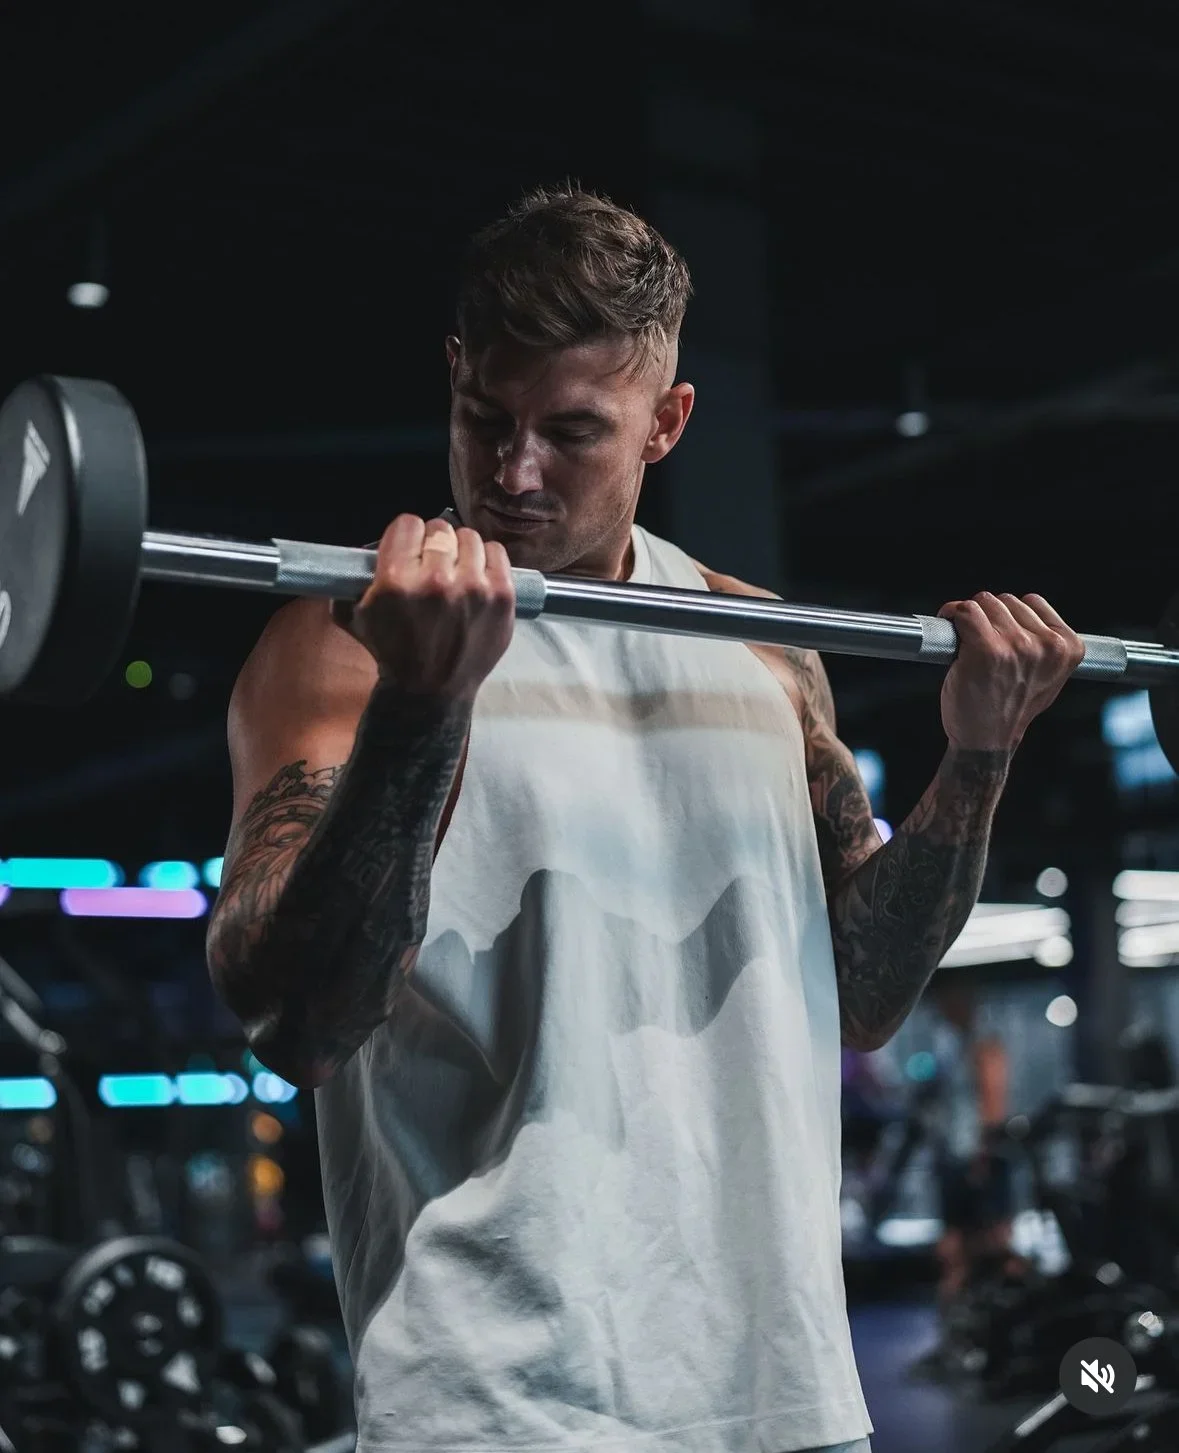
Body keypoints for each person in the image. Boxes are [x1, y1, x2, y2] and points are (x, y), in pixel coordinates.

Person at [205, 182, 1085, 1453]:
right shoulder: (341, 645)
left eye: (572, 431)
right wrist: (422, 704)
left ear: (666, 423)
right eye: (484, 417)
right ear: (453, 374)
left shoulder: (766, 652)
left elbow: (861, 994)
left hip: (782, 1390)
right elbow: (297, 1016)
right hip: (498, 1404)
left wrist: (981, 751)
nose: (514, 473)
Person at [926, 978, 1022, 1322]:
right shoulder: (946, 1041)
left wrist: (985, 1153)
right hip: (954, 1157)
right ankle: (959, 1333)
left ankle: (1003, 1323)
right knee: (955, 1249)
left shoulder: (985, 1043)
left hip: (980, 1157)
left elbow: (993, 1100)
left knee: (996, 1243)